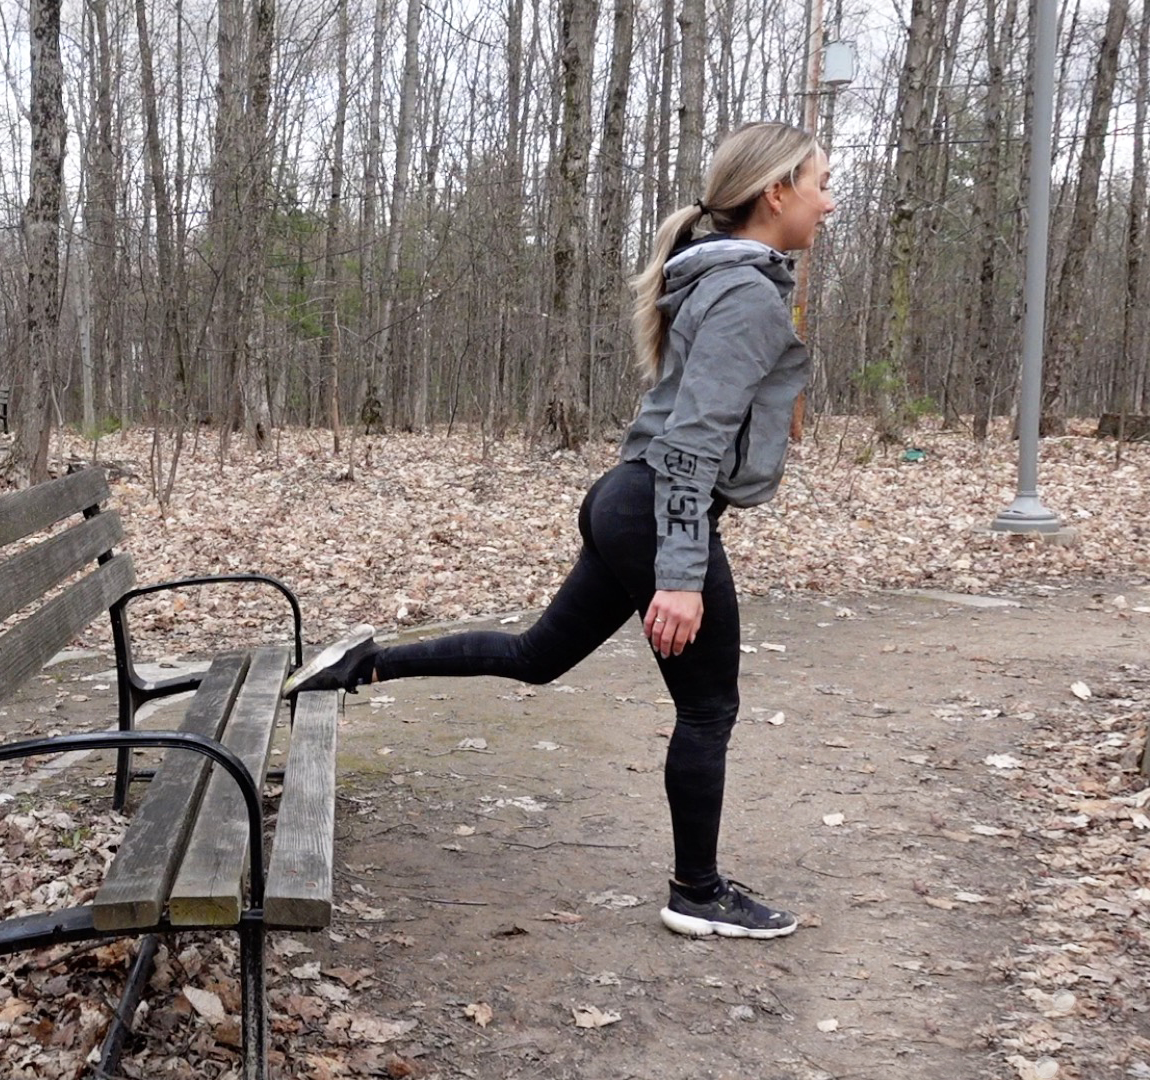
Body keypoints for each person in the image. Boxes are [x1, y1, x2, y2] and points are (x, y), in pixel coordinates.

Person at [285, 121, 835, 940]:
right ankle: (697, 891)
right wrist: (680, 575)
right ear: (776, 192)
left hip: (629, 499)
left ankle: (361, 666)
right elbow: (692, 443)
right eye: (820, 183)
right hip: (656, 510)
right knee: (708, 707)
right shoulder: (744, 294)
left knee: (537, 656)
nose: (829, 201)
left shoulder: (723, 279)